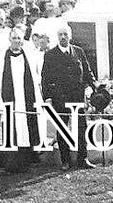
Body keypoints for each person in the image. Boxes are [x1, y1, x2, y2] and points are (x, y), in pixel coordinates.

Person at [41, 25, 96, 171]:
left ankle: (83, 158)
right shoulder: (50, 55)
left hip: (77, 96)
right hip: (60, 97)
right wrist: (48, 97)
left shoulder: (78, 51)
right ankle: (65, 160)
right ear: (57, 37)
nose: (63, 37)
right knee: (62, 128)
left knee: (81, 127)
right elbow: (45, 78)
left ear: (70, 36)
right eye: (60, 35)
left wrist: (93, 86)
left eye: (65, 34)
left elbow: (87, 71)